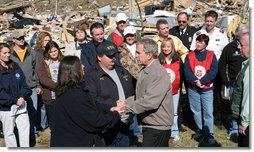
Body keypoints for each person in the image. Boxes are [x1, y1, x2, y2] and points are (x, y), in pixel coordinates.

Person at [50, 56, 121, 147]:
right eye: (80, 65)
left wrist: (110, 108)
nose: (83, 66)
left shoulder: (66, 91)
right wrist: (116, 114)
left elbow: (91, 104)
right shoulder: (75, 95)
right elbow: (95, 122)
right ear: (74, 71)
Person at [120, 39, 174, 147]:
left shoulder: (158, 73)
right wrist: (125, 102)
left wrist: (126, 107)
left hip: (158, 127)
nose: (135, 56)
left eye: (138, 52)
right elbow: (140, 95)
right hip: (151, 125)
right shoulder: (145, 70)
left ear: (149, 55)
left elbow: (150, 101)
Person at [84, 41, 136, 147]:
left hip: (125, 123)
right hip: (106, 126)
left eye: (114, 54)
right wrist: (113, 106)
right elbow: (92, 99)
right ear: (99, 57)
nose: (113, 58)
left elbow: (133, 91)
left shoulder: (122, 71)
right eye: (109, 55)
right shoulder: (92, 75)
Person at [190, 10, 229, 127]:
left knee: (217, 95)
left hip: (215, 70)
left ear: (216, 21)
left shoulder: (221, 34)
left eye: (211, 21)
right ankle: (200, 119)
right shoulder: (198, 34)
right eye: (207, 21)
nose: (209, 23)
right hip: (201, 69)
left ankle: (217, 119)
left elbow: (225, 51)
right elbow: (193, 51)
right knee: (200, 93)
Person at [184, 34, 218, 145]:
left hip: (206, 89)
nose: (199, 44)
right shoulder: (190, 55)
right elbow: (187, 71)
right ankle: (200, 130)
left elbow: (213, 71)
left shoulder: (211, 55)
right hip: (193, 89)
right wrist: (195, 81)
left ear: (206, 44)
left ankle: (209, 133)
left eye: (202, 42)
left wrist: (202, 81)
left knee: (208, 112)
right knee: (196, 111)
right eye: (198, 42)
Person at [218, 24, 249, 141]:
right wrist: (225, 81)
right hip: (233, 84)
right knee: (234, 107)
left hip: (247, 83)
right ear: (237, 35)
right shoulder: (229, 48)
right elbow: (222, 64)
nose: (247, 35)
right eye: (245, 33)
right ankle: (234, 130)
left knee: (246, 106)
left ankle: (246, 127)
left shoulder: (250, 46)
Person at [10, 30, 39, 146]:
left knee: (32, 113)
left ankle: (30, 138)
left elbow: (36, 69)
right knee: (16, 116)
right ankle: (17, 139)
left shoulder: (31, 52)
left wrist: (38, 85)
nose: (21, 40)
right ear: (13, 40)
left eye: (22, 37)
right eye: (18, 38)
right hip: (16, 89)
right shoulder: (9, 53)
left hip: (31, 87)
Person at [0, 43, 32, 147]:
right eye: (4, 53)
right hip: (6, 107)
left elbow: (24, 84)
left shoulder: (14, 65)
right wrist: (14, 100)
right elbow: (1, 93)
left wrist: (22, 97)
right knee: (9, 132)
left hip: (21, 105)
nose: (8, 55)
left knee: (25, 128)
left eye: (9, 52)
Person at [158, 37, 184, 141]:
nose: (166, 49)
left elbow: (181, 74)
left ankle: (174, 131)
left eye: (168, 46)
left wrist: (180, 87)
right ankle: (163, 131)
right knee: (162, 111)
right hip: (161, 91)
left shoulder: (178, 59)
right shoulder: (158, 59)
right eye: (164, 47)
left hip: (174, 91)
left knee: (174, 112)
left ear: (172, 47)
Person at [37, 41, 64, 129]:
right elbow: (43, 78)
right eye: (51, 52)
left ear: (58, 50)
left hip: (64, 94)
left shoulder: (64, 60)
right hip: (51, 96)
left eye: (55, 51)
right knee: (53, 120)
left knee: (64, 119)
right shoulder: (43, 63)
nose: (53, 53)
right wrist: (56, 86)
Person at [231, 33, 249, 147]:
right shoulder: (247, 64)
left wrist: (245, 121)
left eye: (241, 45)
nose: (238, 47)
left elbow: (248, 96)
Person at [33, 31, 52, 133]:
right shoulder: (36, 53)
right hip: (39, 82)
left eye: (49, 40)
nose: (48, 42)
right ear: (41, 41)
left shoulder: (50, 51)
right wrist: (38, 84)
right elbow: (35, 69)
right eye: (46, 40)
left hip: (50, 81)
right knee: (40, 105)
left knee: (47, 104)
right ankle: (40, 125)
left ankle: (46, 124)